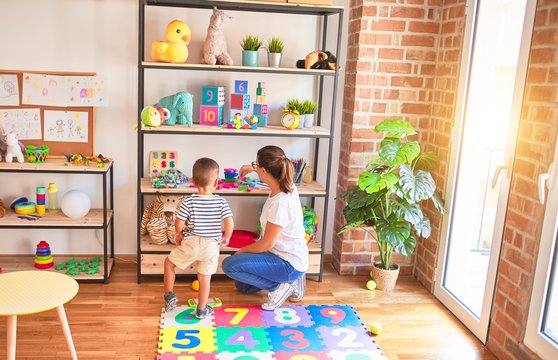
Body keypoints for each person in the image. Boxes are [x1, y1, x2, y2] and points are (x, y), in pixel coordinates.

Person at [222, 145, 308, 310]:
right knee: (243, 287)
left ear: (265, 171)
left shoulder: (280, 204)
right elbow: (269, 169)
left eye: (256, 164)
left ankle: (280, 287)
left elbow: (266, 244)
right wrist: (253, 169)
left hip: (287, 262)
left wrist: (243, 251)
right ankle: (290, 281)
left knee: (230, 265)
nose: (254, 167)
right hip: (281, 254)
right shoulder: (287, 184)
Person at [163, 157, 234, 318]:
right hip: (211, 246)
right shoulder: (221, 202)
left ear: (193, 181)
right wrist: (227, 237)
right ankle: (202, 309)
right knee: (204, 277)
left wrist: (179, 234)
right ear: (216, 182)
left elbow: (179, 222)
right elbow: (229, 222)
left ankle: (169, 296)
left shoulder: (188, 201)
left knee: (169, 264)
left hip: (192, 243)